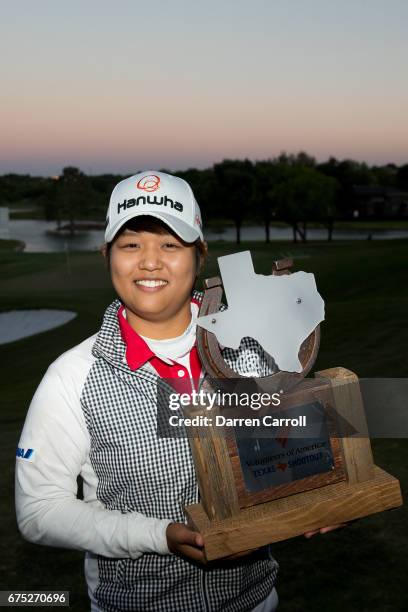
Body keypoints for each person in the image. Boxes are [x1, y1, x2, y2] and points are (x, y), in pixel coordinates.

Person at [15, 171, 342, 611]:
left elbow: (287, 444)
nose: (150, 262)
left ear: (200, 255)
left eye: (170, 245)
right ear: (107, 254)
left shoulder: (253, 349)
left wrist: (319, 488)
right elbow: (39, 512)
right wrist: (159, 536)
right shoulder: (71, 377)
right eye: (131, 244)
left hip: (255, 601)